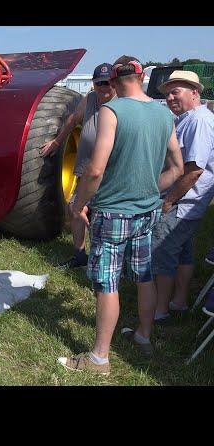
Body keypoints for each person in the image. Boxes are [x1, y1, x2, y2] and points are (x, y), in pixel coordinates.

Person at [57, 56, 183, 374]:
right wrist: (150, 189)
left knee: (107, 283)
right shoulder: (163, 112)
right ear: (141, 77)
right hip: (147, 211)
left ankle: (99, 358)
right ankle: (143, 335)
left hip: (113, 212)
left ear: (113, 81)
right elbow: (177, 168)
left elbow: (96, 169)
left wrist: (78, 204)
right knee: (143, 275)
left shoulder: (113, 111)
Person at [151, 70, 214, 322]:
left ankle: (160, 309)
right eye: (167, 94)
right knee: (183, 251)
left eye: (175, 92)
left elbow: (194, 169)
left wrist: (169, 200)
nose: (170, 98)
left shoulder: (200, 121)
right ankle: (179, 301)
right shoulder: (188, 118)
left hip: (183, 201)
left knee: (162, 252)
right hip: (186, 201)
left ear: (194, 93)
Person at [41, 63, 116, 269]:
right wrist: (57, 142)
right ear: (94, 83)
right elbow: (73, 119)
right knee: (75, 209)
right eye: (100, 83)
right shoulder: (90, 99)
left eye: (108, 83)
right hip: (85, 170)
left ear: (115, 83)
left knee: (105, 215)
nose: (104, 87)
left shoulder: (121, 105)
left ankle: (106, 260)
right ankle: (80, 254)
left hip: (109, 173)